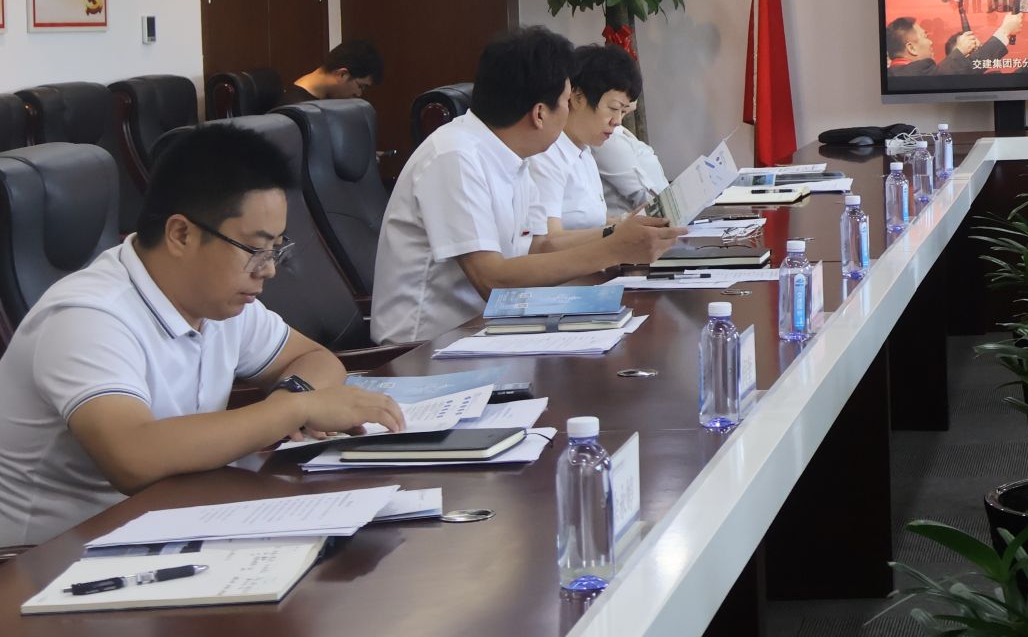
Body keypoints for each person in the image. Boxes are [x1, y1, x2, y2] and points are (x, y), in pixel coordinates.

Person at [0, 126, 407, 547]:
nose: (269, 269)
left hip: (173, 525)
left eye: (276, 248)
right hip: (52, 559)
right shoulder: (88, 316)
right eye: (256, 249)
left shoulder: (217, 300)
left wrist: (292, 398)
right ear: (181, 234)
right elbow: (133, 458)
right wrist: (294, 410)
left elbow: (317, 360)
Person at [370, 27, 676, 344]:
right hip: (426, 349)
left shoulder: (514, 156)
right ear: (540, 113)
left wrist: (618, 235)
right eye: (566, 101)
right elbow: (492, 281)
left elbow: (540, 246)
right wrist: (612, 248)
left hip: (491, 330)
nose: (569, 111)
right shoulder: (454, 157)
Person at [526, 43, 640, 235]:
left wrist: (628, 222)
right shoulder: (546, 154)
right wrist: (617, 233)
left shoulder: (585, 153)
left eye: (622, 112)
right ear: (578, 97)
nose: (617, 121)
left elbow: (592, 222)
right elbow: (549, 240)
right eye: (613, 108)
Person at [886, 13, 1023, 76]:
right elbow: (951, 72)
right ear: (911, 48)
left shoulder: (894, 74)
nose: (931, 42)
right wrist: (1005, 30)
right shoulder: (912, 74)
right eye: (926, 37)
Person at [595, 106, 669, 218]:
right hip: (648, 219)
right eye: (614, 106)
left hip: (662, 212)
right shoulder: (607, 139)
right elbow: (641, 193)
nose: (617, 120)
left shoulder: (618, 132)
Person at [280, 39, 383, 104]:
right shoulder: (297, 107)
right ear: (342, 74)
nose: (359, 94)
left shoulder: (321, 100)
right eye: (360, 86)